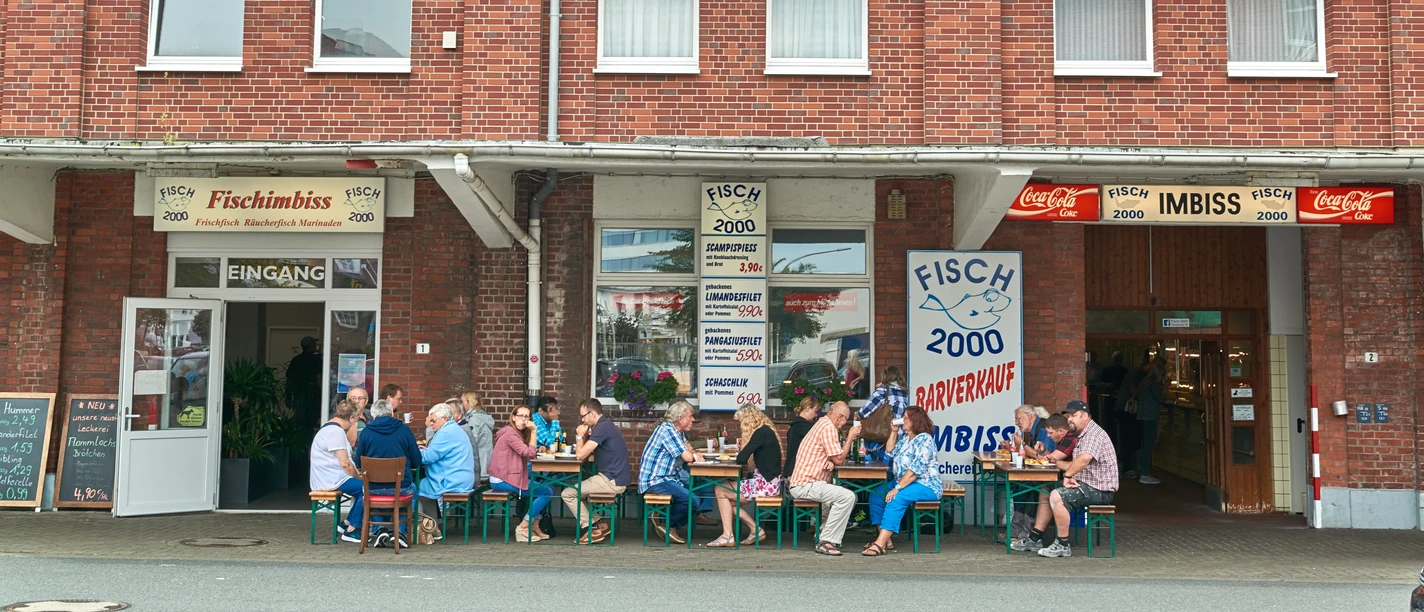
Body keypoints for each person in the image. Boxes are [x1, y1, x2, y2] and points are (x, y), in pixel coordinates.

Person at [1029, 400, 1118, 558]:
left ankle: (1063, 544)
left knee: (1058, 495)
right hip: (1086, 484)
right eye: (1068, 416)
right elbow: (1072, 464)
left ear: (1085, 416)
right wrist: (1053, 460)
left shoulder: (1094, 434)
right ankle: (1035, 537)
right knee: (1046, 488)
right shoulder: (1083, 435)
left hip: (1099, 490)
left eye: (1074, 415)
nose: (1069, 419)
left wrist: (1068, 476)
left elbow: (1083, 459)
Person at [863, 406, 942, 556]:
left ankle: (879, 544)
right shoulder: (906, 439)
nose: (903, 420)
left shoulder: (925, 439)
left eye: (906, 418)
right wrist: (893, 431)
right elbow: (889, 450)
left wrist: (897, 488)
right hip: (905, 482)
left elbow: (914, 471)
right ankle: (887, 540)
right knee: (876, 494)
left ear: (915, 421)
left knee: (896, 498)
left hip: (925, 484)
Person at [788, 401, 863, 556]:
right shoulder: (829, 428)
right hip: (806, 484)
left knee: (849, 497)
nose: (844, 423)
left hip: (807, 482)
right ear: (840, 417)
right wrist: (850, 437)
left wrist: (828, 461)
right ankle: (826, 541)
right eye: (845, 420)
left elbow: (827, 455)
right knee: (847, 497)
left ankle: (823, 533)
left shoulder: (821, 424)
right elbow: (839, 459)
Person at [640, 400, 715, 545]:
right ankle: (667, 524)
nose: (693, 419)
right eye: (690, 416)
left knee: (696, 490)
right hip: (655, 480)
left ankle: (666, 521)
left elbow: (689, 452)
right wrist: (691, 454)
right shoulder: (667, 430)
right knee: (692, 499)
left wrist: (691, 453)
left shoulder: (677, 432)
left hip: (668, 477)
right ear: (680, 418)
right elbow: (688, 456)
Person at [708, 403, 782, 547]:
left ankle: (728, 535)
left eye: (741, 421)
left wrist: (743, 447)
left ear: (748, 419)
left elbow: (741, 459)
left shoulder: (760, 433)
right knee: (728, 502)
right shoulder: (766, 430)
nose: (740, 425)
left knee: (720, 490)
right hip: (770, 483)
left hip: (765, 484)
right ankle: (755, 529)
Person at [352, 398, 422, 548]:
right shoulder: (405, 430)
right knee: (414, 491)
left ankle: (379, 529)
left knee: (370, 491)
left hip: (373, 488)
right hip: (401, 487)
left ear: (373, 415)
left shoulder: (366, 432)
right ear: (391, 413)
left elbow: (359, 463)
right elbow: (417, 461)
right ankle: (401, 532)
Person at [561, 398, 631, 544]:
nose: (582, 420)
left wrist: (580, 435)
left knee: (568, 493)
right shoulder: (605, 426)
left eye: (583, 416)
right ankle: (600, 524)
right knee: (578, 493)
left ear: (592, 413)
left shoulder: (602, 428)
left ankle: (592, 529)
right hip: (614, 477)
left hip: (611, 480)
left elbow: (580, 455)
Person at [488, 405, 555, 542]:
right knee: (546, 491)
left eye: (527, 416)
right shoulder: (510, 434)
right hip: (502, 479)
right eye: (521, 416)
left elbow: (526, 452)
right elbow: (528, 453)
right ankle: (523, 526)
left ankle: (535, 524)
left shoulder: (514, 433)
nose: (524, 420)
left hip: (506, 475)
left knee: (546, 486)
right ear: (513, 417)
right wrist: (534, 431)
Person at [1010, 412, 1077, 548]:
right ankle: (1034, 537)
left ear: (1062, 431)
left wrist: (1022, 445)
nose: (1048, 436)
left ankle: (1035, 536)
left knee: (1036, 487)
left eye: (1051, 433)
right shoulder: (1064, 439)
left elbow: (1050, 460)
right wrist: (1045, 452)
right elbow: (1051, 458)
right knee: (1043, 489)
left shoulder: (1070, 438)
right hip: (1066, 479)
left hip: (1075, 482)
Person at [857, 365, 909, 529]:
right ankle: (888, 525)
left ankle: (877, 525)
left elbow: (863, 412)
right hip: (899, 443)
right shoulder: (905, 393)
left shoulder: (882, 391)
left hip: (882, 442)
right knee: (888, 482)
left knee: (877, 484)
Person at [309, 400, 365, 543]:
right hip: (331, 479)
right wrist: (358, 477)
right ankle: (352, 529)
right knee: (368, 489)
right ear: (351, 418)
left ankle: (346, 523)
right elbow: (345, 463)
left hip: (329, 477)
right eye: (356, 418)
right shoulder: (336, 432)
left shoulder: (328, 428)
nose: (355, 422)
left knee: (363, 489)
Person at [416, 403, 476, 534]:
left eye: (433, 420)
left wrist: (414, 451)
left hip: (452, 479)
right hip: (461, 476)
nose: (431, 424)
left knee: (417, 487)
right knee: (424, 488)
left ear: (444, 418)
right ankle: (434, 526)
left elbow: (428, 457)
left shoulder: (446, 432)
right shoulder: (453, 429)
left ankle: (427, 527)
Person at [1115, 352, 1151, 474]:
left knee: (1130, 437)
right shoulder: (1137, 373)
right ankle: (1126, 466)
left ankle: (1127, 466)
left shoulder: (1135, 372)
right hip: (1126, 409)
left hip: (1127, 409)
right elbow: (1134, 391)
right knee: (1129, 438)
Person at [1135, 360, 1168, 485]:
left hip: (1142, 417)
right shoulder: (1153, 384)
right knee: (1148, 446)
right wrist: (1165, 387)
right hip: (1150, 418)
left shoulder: (1144, 382)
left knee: (1144, 445)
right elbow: (1161, 398)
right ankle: (1144, 474)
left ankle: (1143, 470)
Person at [286, 336, 323, 431]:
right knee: (312, 419)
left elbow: (289, 379)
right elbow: (318, 378)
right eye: (314, 344)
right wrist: (324, 393)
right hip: (313, 395)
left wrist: (288, 396)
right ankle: (308, 439)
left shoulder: (296, 360)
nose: (316, 346)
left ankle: (302, 439)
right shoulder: (316, 360)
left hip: (299, 395)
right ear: (310, 346)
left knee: (301, 419)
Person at [460, 390, 496, 483]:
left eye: (462, 401)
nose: (461, 404)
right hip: (485, 462)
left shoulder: (474, 419)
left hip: (479, 465)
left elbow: (471, 441)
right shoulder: (481, 416)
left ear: (469, 402)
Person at [782, 396, 820, 479]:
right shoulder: (804, 427)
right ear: (808, 408)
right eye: (815, 411)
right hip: (797, 471)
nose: (816, 415)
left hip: (791, 469)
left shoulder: (795, 425)